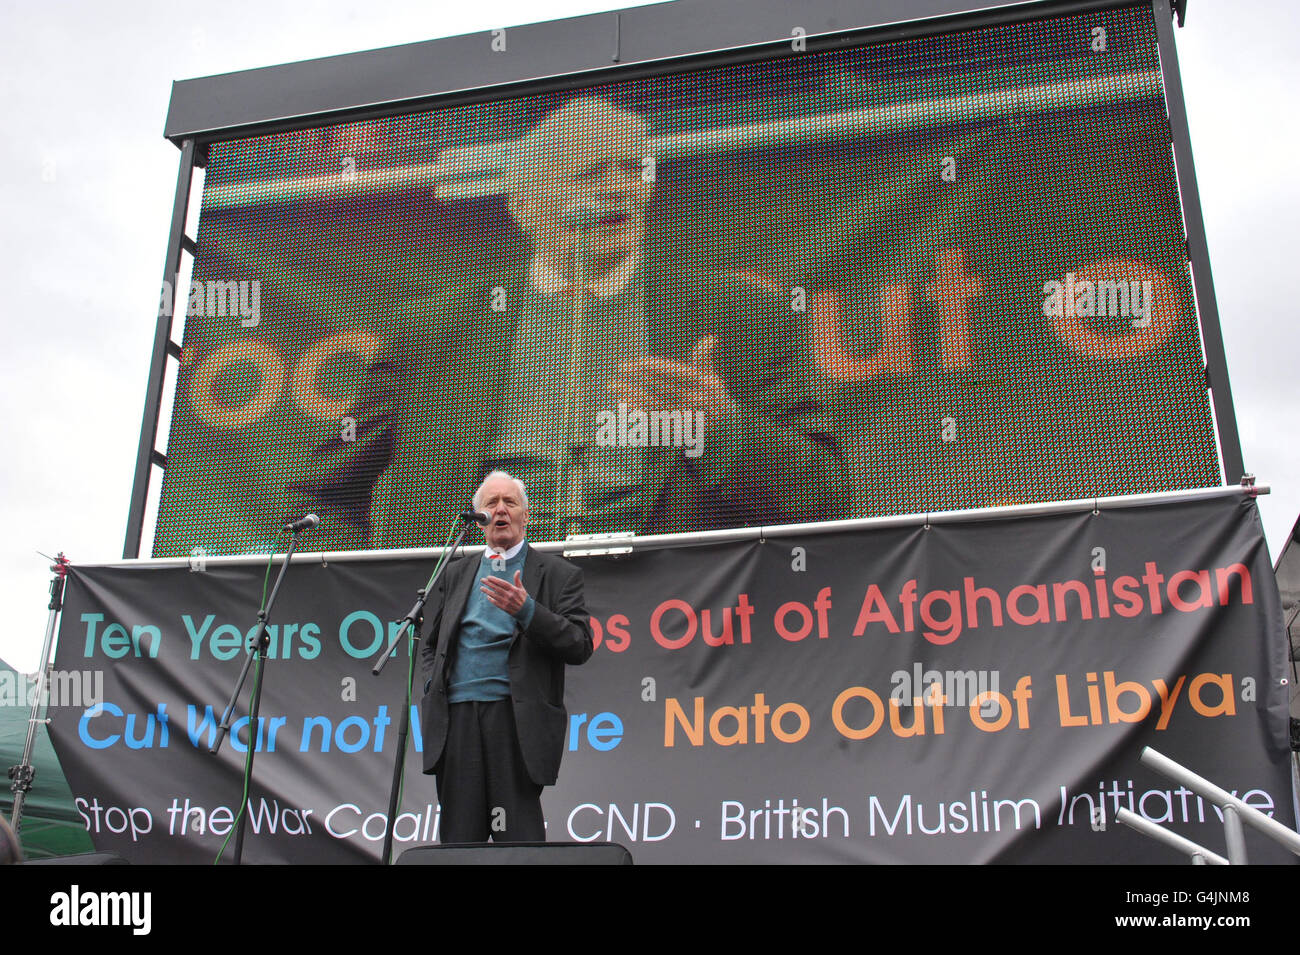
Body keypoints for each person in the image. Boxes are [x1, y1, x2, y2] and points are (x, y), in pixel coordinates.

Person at [288, 96, 847, 549]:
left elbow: (825, 495)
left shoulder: (734, 317)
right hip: (483, 625)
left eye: (633, 170)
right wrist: (389, 601)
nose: (620, 186)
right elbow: (316, 500)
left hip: (667, 627)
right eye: (593, 171)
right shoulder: (438, 334)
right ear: (525, 201)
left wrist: (721, 427)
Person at [419, 470, 592, 842]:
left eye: (509, 502)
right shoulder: (455, 572)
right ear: (479, 517)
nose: (500, 510)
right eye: (490, 504)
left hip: (513, 719)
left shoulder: (558, 574)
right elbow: (433, 643)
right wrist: (435, 682)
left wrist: (527, 609)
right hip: (457, 718)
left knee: (517, 839)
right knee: (459, 840)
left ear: (525, 516)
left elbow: (579, 643)